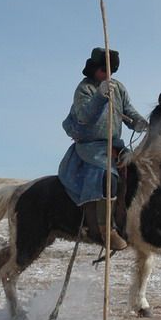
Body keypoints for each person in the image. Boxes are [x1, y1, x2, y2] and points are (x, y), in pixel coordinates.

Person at [58, 47, 148, 250]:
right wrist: (100, 96)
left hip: (115, 145)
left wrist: (139, 122)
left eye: (111, 71)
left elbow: (128, 110)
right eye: (104, 71)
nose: (108, 76)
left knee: (138, 172)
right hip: (91, 147)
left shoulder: (118, 88)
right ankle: (105, 229)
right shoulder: (84, 89)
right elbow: (84, 117)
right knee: (107, 174)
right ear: (94, 69)